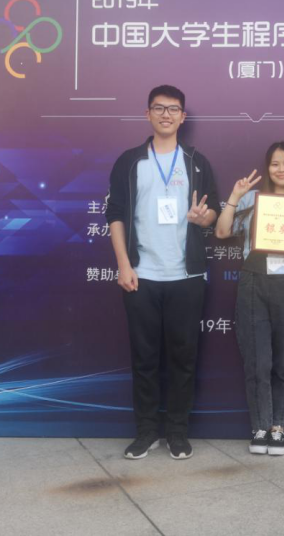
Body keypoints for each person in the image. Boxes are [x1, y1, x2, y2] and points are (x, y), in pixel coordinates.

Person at [105, 85, 220, 460]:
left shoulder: (196, 162)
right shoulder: (130, 161)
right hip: (141, 275)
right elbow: (115, 215)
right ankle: (146, 432)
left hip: (186, 277)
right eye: (159, 108)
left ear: (183, 117)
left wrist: (204, 218)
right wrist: (124, 264)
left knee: (183, 360)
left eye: (173, 109)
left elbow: (214, 213)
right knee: (144, 359)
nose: (166, 114)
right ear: (148, 114)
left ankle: (177, 432)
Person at [215, 142, 284, 456]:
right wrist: (235, 196)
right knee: (257, 361)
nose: (281, 169)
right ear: (267, 168)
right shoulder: (251, 199)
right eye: (275, 164)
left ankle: (278, 427)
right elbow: (222, 232)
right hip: (253, 282)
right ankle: (260, 426)